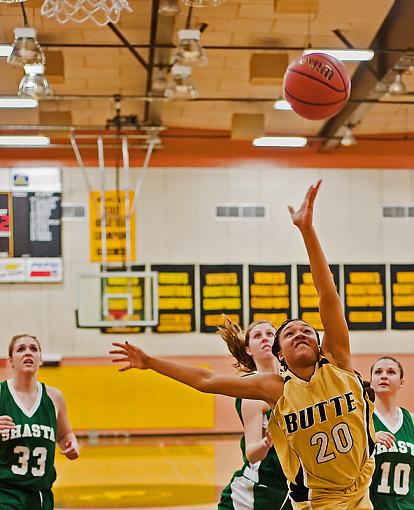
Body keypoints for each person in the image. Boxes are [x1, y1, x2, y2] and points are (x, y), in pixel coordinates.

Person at [110, 180, 376, 509]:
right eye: (289, 334)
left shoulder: (337, 362)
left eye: (306, 330)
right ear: (280, 355)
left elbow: (328, 296)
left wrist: (307, 230)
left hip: (362, 492)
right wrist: (152, 362)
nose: (300, 334)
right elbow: (206, 381)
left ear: (321, 343)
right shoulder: (275, 388)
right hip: (321, 502)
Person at [217, 316, 291, 509]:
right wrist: (267, 442)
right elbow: (251, 454)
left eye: (270, 334)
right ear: (249, 349)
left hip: (291, 486)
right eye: (257, 336)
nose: (265, 338)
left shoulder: (294, 380)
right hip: (256, 490)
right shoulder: (251, 390)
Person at [0, 334, 79, 510]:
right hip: (4, 493)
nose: (28, 353)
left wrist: (72, 444)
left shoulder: (54, 397)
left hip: (40, 496)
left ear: (40, 359)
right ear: (11, 361)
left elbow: (65, 434)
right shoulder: (1, 393)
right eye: (21, 349)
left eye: (33, 349)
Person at [369, 356, 414, 509]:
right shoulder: (362, 420)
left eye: (391, 372)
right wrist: (368, 440)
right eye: (378, 372)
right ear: (372, 381)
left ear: (401, 382)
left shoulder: (411, 420)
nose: (384, 376)